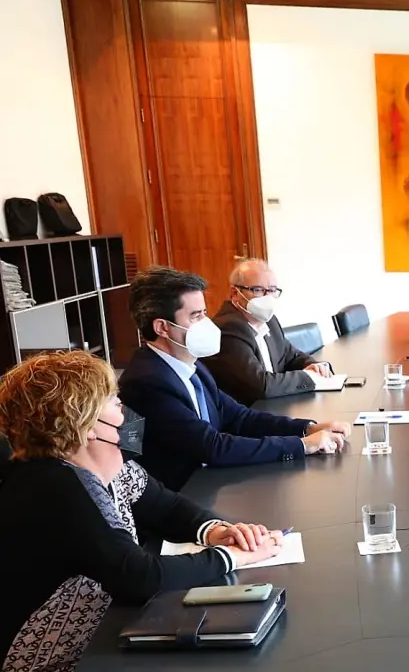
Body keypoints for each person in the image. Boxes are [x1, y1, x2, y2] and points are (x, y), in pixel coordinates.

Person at [0, 351, 283, 672]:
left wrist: (218, 531)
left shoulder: (110, 466)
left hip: (102, 631)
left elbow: (167, 508)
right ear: (85, 421)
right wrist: (233, 556)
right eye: (114, 401)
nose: (125, 410)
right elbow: (139, 577)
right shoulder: (55, 485)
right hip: (50, 656)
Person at [119, 267, 350, 491]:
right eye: (196, 316)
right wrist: (301, 445)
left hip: (211, 481)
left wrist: (307, 428)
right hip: (184, 493)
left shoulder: (191, 365)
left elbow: (240, 418)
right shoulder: (147, 381)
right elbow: (212, 447)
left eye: (204, 313)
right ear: (162, 327)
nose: (206, 323)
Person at [205, 259, 333, 406]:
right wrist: (308, 377)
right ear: (235, 293)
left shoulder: (269, 321)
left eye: (272, 290)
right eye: (258, 290)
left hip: (276, 406)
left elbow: (291, 356)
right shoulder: (228, 328)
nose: (267, 297)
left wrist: (315, 366)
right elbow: (260, 386)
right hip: (249, 413)